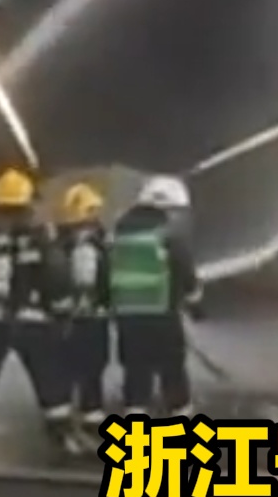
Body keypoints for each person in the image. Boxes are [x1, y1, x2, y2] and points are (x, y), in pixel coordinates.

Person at [0, 167, 71, 465]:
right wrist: (61, 312)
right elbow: (55, 276)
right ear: (27, 204)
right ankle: (61, 436)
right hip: (32, 323)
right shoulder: (39, 238)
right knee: (49, 379)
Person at [109, 175, 202, 417]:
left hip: (128, 316)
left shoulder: (120, 231)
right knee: (172, 371)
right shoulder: (169, 233)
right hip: (162, 315)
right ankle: (180, 422)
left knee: (136, 372)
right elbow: (184, 269)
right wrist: (194, 300)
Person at [51, 181, 114, 438]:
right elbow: (97, 280)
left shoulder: (58, 244)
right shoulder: (91, 244)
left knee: (68, 369)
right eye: (93, 210)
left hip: (65, 320)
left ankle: (65, 417)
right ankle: (91, 417)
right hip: (92, 318)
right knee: (93, 368)